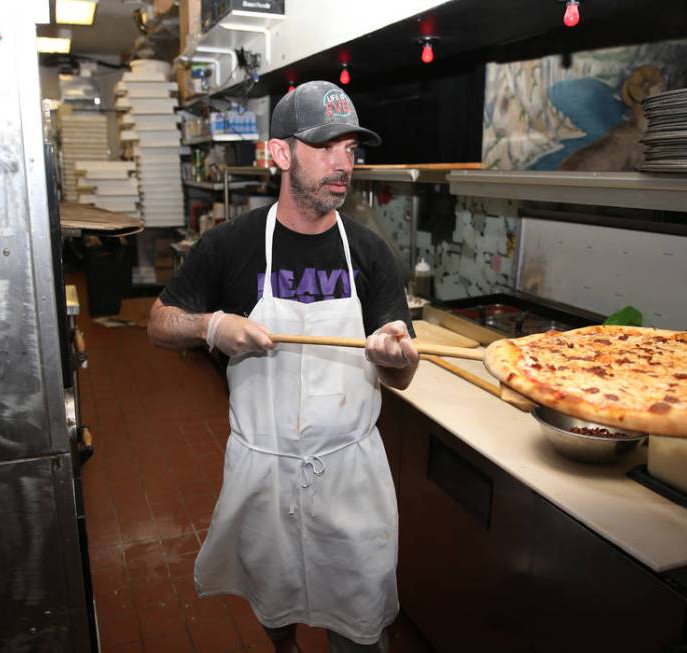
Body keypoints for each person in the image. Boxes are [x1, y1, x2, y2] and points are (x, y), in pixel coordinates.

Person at [146, 80, 419, 653]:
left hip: (349, 472)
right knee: (272, 591)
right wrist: (211, 326)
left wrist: (399, 356)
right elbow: (157, 322)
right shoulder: (230, 246)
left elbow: (400, 370)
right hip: (263, 471)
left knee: (361, 620)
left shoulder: (369, 254)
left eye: (350, 148)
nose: (343, 163)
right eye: (326, 147)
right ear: (280, 154)